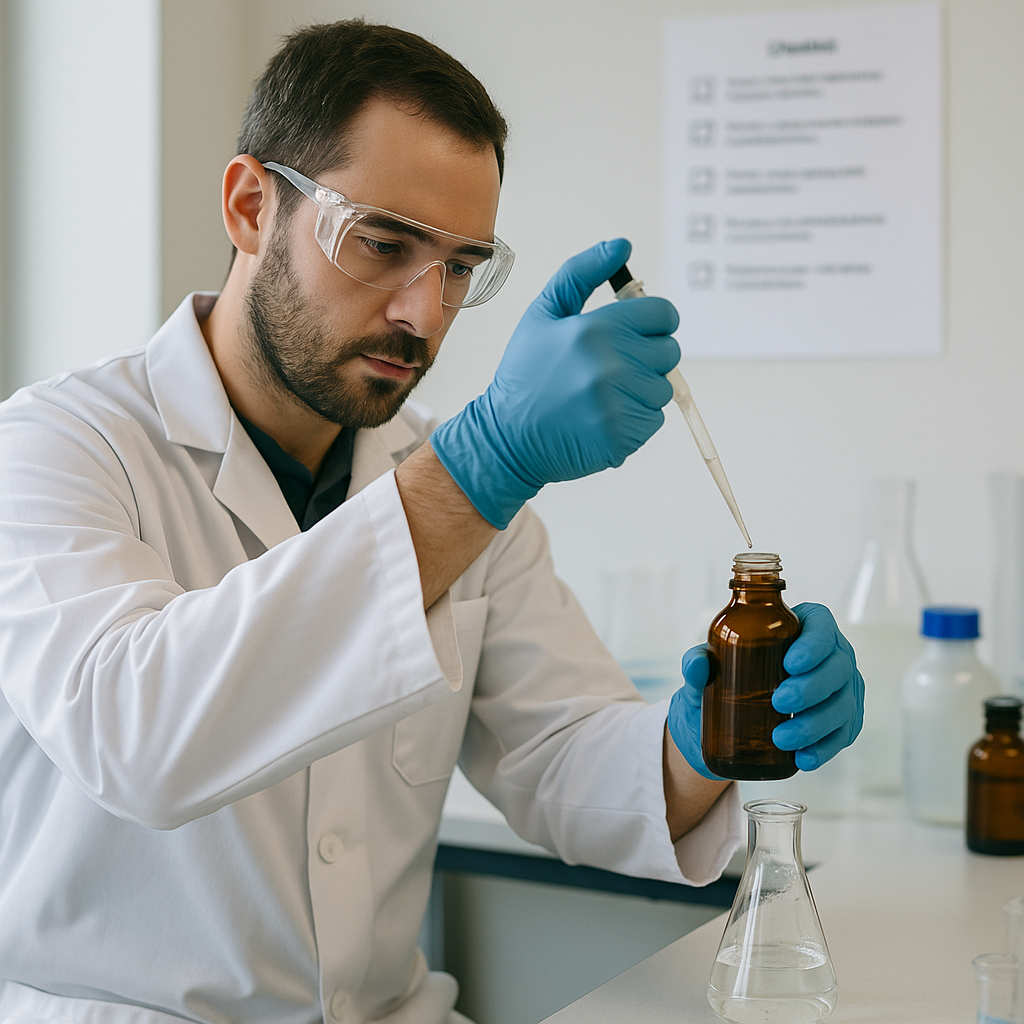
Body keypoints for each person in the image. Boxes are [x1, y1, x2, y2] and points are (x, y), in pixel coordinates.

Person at [0, 20, 863, 1024]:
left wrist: (701, 742)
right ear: (249, 205)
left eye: (460, 266)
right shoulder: (57, 448)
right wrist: (484, 467)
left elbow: (559, 757)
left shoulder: (442, 473)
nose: (424, 312)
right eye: (383, 243)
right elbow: (139, 736)